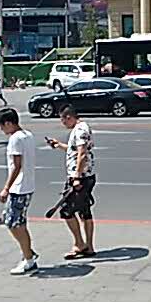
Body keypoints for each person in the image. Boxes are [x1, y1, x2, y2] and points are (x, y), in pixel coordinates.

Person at [0, 106, 38, 275]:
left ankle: (28, 258)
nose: (2, 130)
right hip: (27, 185)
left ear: (9, 123)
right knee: (15, 221)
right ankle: (28, 252)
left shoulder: (15, 139)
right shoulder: (28, 135)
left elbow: (17, 165)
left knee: (13, 222)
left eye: (2, 126)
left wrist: (6, 188)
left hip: (19, 187)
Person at [48, 105, 96, 258]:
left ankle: (79, 244)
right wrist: (59, 145)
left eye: (62, 120)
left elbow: (82, 154)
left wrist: (76, 178)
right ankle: (88, 246)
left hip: (80, 177)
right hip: (86, 176)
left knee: (66, 211)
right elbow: (74, 150)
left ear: (68, 117)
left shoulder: (80, 130)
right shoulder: (81, 128)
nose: (63, 123)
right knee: (84, 211)